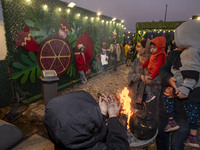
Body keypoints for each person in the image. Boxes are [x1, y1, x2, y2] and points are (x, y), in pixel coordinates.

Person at [44, 90, 130, 150]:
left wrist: (101, 114)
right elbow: (120, 146)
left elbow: (82, 125)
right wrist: (113, 117)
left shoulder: (62, 134)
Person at [162, 19, 200, 148]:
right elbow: (163, 71)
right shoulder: (174, 54)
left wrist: (175, 92)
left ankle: (192, 136)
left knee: (176, 145)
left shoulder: (193, 54)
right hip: (173, 109)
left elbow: (194, 79)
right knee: (168, 140)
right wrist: (168, 79)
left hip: (186, 111)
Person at [128, 39, 161, 117]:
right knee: (137, 117)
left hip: (151, 96)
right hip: (137, 95)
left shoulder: (156, 61)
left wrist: (150, 80)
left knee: (150, 117)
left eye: (139, 47)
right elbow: (130, 75)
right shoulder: (136, 61)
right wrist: (140, 76)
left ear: (146, 48)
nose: (137, 49)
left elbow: (160, 79)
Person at [139, 36, 167, 103]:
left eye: (154, 47)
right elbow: (148, 60)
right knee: (147, 83)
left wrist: (152, 76)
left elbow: (158, 67)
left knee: (150, 83)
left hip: (157, 74)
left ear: (160, 47)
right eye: (151, 47)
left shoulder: (160, 55)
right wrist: (143, 65)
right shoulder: (153, 55)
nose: (152, 49)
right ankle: (149, 94)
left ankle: (151, 95)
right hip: (152, 73)